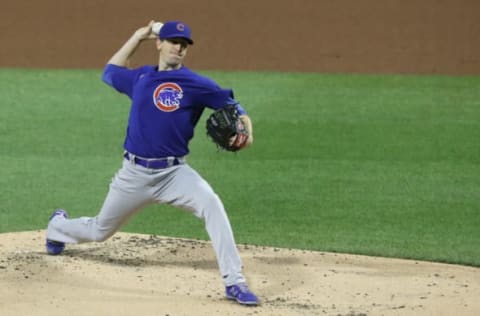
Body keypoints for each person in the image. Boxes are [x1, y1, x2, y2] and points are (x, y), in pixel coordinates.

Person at [45, 20, 259, 306]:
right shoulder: (141, 78)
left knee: (212, 205)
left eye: (183, 45)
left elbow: (233, 106)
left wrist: (248, 129)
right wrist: (138, 36)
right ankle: (57, 227)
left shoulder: (196, 84)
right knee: (99, 231)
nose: (178, 48)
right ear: (159, 43)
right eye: (172, 41)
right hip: (133, 174)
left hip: (174, 173)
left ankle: (234, 282)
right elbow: (110, 73)